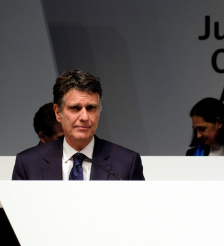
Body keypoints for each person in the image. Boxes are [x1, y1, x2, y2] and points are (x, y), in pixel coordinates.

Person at [12, 70, 145, 180]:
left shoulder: (127, 163)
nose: (84, 117)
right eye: (75, 108)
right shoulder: (28, 163)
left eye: (91, 108)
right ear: (58, 112)